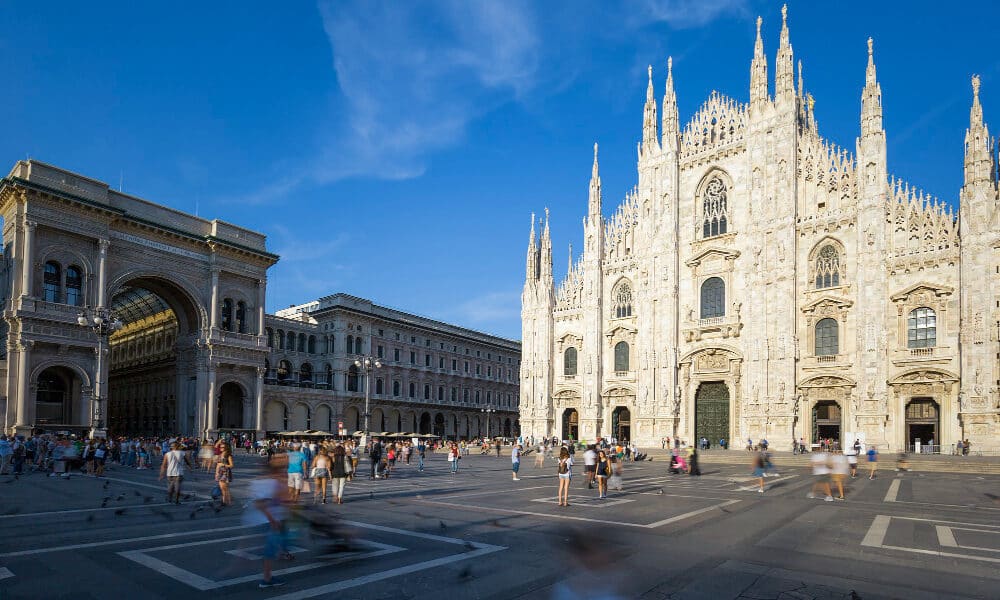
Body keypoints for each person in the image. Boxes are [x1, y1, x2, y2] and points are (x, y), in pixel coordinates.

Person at [246, 454, 292, 588]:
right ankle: (267, 579)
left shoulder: (265, 480)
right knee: (269, 550)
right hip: (268, 521)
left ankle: (268, 576)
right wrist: (272, 520)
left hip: (268, 520)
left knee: (270, 549)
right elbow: (260, 504)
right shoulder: (270, 482)